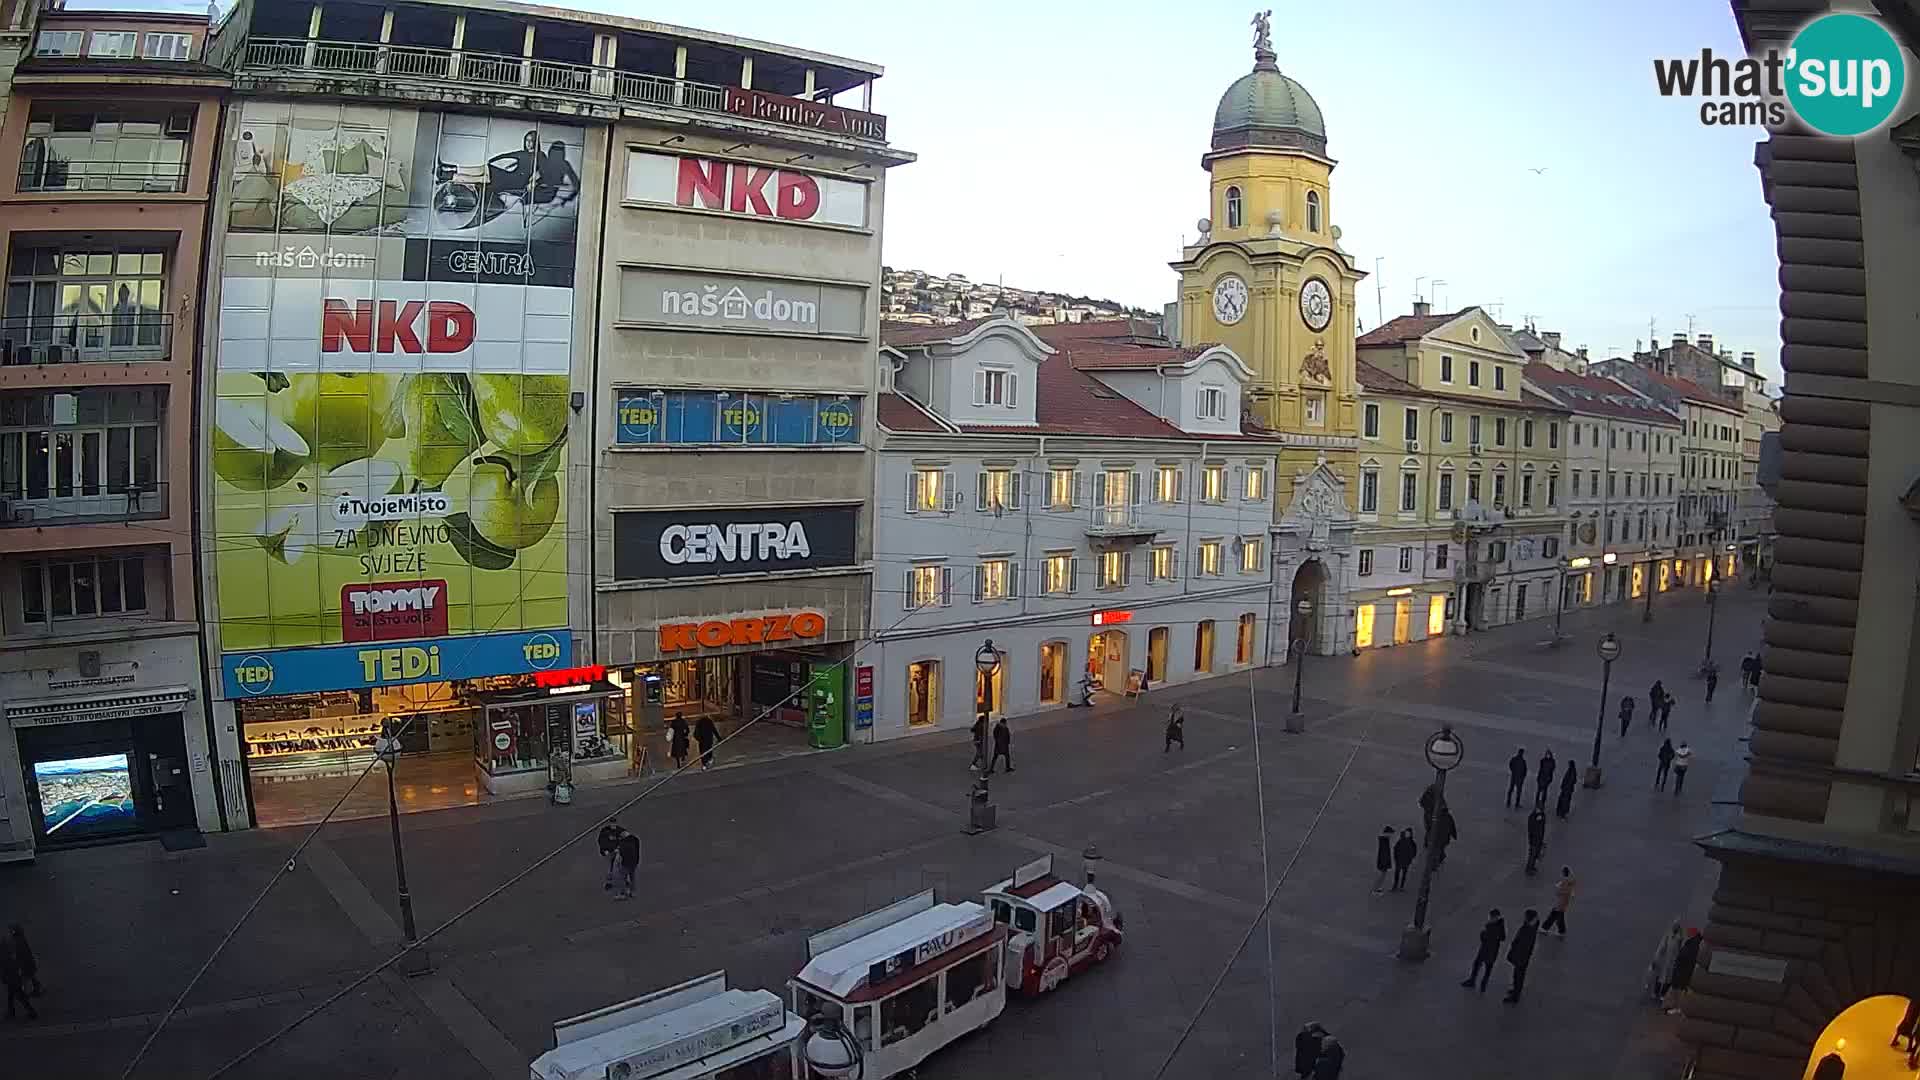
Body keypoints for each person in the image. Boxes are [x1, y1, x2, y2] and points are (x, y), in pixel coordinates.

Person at [1460, 908, 1507, 992]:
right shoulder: (1500, 925)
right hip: (1493, 951)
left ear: (1494, 918)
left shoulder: (1491, 926)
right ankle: (1483, 985)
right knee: (1488, 969)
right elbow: (1503, 938)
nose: (1488, 918)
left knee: (1477, 964)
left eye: (1490, 917)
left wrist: (1483, 933)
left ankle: (1472, 981)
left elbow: (1484, 937)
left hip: (1485, 950)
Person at [1503, 909, 1540, 1003]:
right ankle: (1516, 990)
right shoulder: (1531, 926)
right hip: (1523, 957)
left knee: (1518, 976)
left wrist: (1514, 955)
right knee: (1518, 975)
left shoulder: (1528, 931)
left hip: (1521, 957)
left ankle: (1515, 996)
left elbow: (1522, 946)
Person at [1666, 928, 1703, 1013]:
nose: (1687, 934)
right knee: (1680, 990)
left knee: (1679, 990)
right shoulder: (1694, 943)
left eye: (1689, 933)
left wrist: (1679, 961)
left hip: (1683, 971)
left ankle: (1678, 1008)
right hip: (1684, 971)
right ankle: (1678, 1007)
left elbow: (1687, 957)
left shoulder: (1693, 944)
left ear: (1692, 934)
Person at [1648, 921, 1684, 1003]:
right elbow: (1661, 947)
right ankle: (1655, 992)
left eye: (1677, 927)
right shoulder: (1668, 935)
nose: (1675, 928)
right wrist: (1656, 959)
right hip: (1665, 960)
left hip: (1673, 962)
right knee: (1660, 977)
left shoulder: (1680, 938)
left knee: (1669, 979)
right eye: (1674, 926)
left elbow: (1680, 950)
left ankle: (1663, 994)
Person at [0, 935, 33, 1020]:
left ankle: (31, 1012)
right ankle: (12, 1012)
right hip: (13, 977)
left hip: (12, 978)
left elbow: (6, 967)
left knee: (19, 996)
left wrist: (5, 977)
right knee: (12, 996)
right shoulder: (8, 952)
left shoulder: (4, 954)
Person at [1543, 866, 1576, 935]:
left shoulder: (1564, 882)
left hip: (1560, 902)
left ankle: (1545, 928)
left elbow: (1559, 892)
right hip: (1563, 902)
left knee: (1554, 915)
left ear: (1563, 873)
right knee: (1559, 916)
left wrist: (1558, 887)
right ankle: (1560, 930)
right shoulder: (1570, 881)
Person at [614, 827, 640, 900]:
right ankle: (633, 892)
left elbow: (623, 852)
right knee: (632, 877)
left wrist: (618, 851)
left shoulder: (624, 843)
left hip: (626, 863)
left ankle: (623, 894)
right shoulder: (635, 840)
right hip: (634, 862)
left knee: (622, 878)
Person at [597, 821, 623, 891]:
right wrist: (604, 850)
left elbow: (625, 838)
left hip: (617, 852)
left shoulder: (619, 830)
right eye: (612, 824)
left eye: (614, 824)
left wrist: (619, 848)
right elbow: (601, 841)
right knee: (609, 868)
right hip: (609, 853)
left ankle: (622, 880)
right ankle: (609, 883)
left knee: (620, 867)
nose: (613, 825)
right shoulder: (605, 831)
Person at [1524, 807, 1547, 875]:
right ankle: (1529, 869)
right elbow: (1531, 829)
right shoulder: (1532, 817)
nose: (1539, 811)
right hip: (1534, 839)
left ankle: (1532, 867)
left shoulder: (1542, 816)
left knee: (1535, 854)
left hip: (1539, 838)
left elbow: (1542, 827)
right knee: (1532, 854)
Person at [1372, 826, 1394, 895]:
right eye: (1391, 833)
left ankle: (1377, 888)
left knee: (1381, 876)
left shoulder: (1384, 840)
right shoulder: (1385, 841)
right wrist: (1385, 864)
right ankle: (1376, 889)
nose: (1391, 835)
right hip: (1383, 862)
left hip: (1383, 862)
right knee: (1381, 876)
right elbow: (1384, 853)